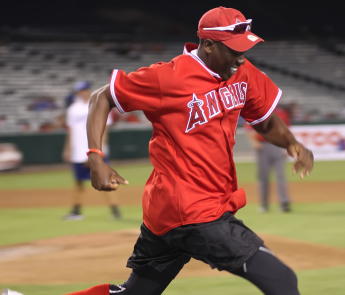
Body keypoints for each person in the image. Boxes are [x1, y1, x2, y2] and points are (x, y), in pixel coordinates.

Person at [5, 7, 313, 295]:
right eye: (234, 49)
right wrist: (96, 158)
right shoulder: (169, 77)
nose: (242, 58)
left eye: (244, 49)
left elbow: (264, 120)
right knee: (283, 280)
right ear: (207, 45)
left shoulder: (240, 72)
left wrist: (291, 143)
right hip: (194, 212)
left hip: (169, 212)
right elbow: (102, 97)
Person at [62, 81, 121, 220]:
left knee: (105, 181)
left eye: (84, 90)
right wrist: (67, 149)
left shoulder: (100, 103)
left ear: (88, 90)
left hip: (95, 150)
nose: (82, 93)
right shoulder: (73, 109)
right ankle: (76, 211)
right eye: (79, 91)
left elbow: (105, 130)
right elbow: (71, 132)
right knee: (78, 181)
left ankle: (115, 211)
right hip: (78, 152)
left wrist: (99, 150)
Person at [245, 106, 292, 213]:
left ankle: (284, 204)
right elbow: (248, 128)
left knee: (280, 175)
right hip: (263, 146)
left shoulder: (281, 112)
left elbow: (286, 131)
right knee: (263, 176)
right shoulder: (257, 111)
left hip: (278, 145)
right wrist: (253, 142)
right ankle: (264, 204)